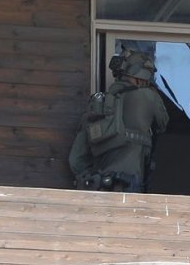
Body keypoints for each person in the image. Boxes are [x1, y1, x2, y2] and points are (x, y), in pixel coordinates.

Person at [68, 48, 169, 193]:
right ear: (140, 78)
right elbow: (163, 123)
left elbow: (75, 160)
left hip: (99, 193)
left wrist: (95, 179)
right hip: (130, 191)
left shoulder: (96, 107)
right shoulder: (148, 97)